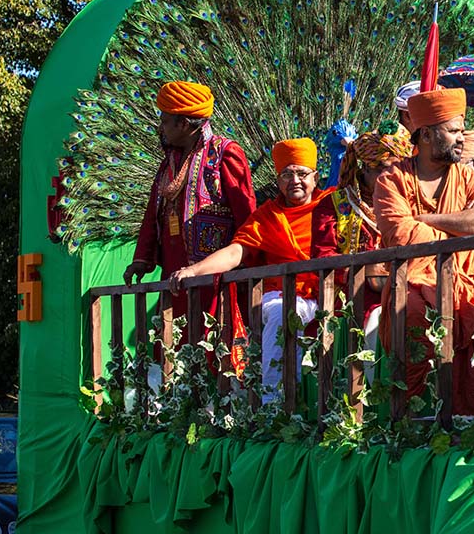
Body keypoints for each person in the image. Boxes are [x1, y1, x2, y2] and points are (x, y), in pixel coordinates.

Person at [169, 138, 336, 399]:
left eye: (302, 174)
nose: (295, 181)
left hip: (326, 294)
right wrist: (194, 270)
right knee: (284, 314)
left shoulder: (333, 207)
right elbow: (236, 252)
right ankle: (274, 405)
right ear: (278, 181)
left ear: (315, 177)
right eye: (287, 174)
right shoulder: (267, 216)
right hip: (280, 296)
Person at [373, 88, 474, 414]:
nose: (462, 138)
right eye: (454, 130)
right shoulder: (392, 181)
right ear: (428, 135)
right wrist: (460, 225)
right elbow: (400, 235)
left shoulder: (472, 178)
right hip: (413, 282)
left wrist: (423, 218)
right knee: (414, 307)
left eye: (462, 130)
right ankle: (416, 420)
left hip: (470, 282)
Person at [124, 81, 256, 341]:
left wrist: (244, 266)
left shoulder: (225, 154)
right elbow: (153, 213)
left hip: (215, 278)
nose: (160, 127)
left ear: (184, 124)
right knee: (173, 348)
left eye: (165, 120)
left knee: (214, 345)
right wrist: (142, 259)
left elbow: (248, 217)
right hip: (175, 277)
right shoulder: (169, 164)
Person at [320, 120, 414, 318]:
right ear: (366, 169)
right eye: (385, 170)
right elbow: (323, 256)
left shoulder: (414, 201)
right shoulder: (334, 204)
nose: (392, 177)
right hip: (353, 298)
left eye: (399, 170)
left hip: (409, 290)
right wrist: (361, 269)